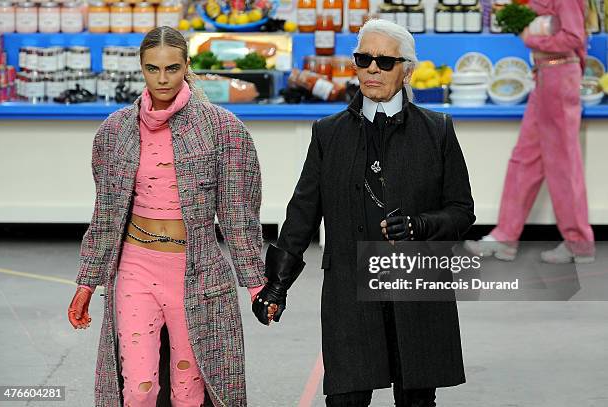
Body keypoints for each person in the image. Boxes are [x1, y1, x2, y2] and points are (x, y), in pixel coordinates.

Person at [252, 19, 475, 407]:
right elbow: (302, 213)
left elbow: (462, 211)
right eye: (364, 59)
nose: (373, 68)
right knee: (345, 398)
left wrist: (422, 225)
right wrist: (277, 283)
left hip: (415, 285)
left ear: (407, 69)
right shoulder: (328, 133)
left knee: (417, 398)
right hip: (349, 289)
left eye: (385, 62)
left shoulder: (437, 130)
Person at [67, 26, 267, 407]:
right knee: (137, 390)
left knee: (189, 392)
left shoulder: (223, 130)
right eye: (152, 69)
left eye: (172, 69)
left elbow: (239, 214)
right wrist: (86, 283)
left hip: (193, 270)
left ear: (187, 66)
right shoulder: (114, 131)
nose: (162, 79)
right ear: (141, 68)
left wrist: (257, 284)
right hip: (134, 267)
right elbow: (106, 216)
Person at [464, 0, 595, 263]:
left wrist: (532, 39)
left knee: (562, 165)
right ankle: (505, 238)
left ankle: (578, 242)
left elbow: (573, 36)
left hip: (558, 79)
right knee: (525, 160)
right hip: (546, 78)